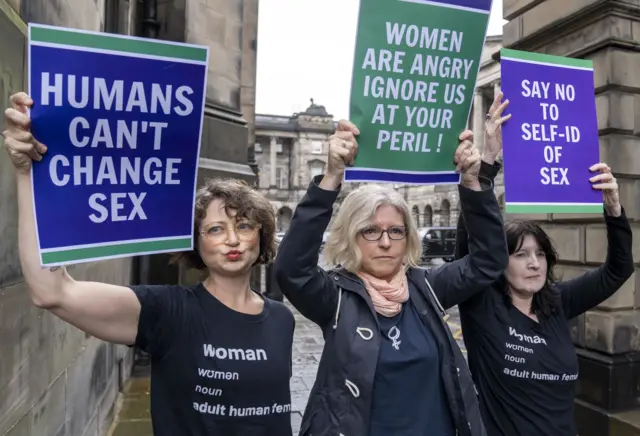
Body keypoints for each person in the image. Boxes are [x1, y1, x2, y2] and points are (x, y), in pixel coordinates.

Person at [3, 92, 295, 436]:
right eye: (215, 229)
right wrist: (28, 176)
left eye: (244, 225)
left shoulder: (281, 318)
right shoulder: (167, 311)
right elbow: (52, 291)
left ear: (260, 237)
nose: (232, 238)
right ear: (196, 243)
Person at [274, 116, 510, 436]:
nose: (385, 242)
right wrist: (331, 177)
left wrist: (473, 182)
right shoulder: (336, 298)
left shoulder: (427, 287)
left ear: (408, 238)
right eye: (370, 230)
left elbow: (488, 261)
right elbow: (292, 270)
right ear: (350, 237)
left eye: (396, 231)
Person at [455, 93, 635, 436]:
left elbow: (618, 270)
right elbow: (468, 248)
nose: (534, 264)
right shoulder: (482, 306)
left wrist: (613, 207)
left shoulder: (556, 302)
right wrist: (487, 165)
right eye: (520, 255)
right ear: (499, 263)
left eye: (540, 254)